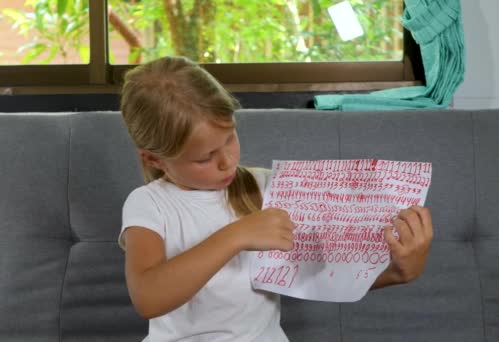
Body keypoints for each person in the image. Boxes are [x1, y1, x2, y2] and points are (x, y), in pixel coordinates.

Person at [119, 56, 433, 341]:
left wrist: (399, 271)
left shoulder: (265, 186)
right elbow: (148, 298)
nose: (227, 162)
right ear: (155, 160)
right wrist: (235, 236)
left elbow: (317, 275)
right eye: (205, 158)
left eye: (230, 139)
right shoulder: (149, 204)